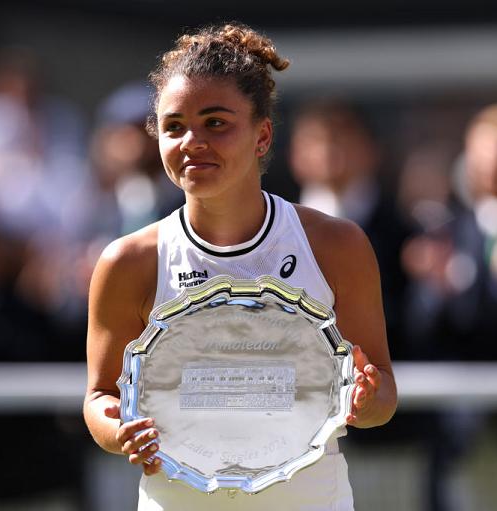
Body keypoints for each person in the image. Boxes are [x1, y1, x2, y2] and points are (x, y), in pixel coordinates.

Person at [83, 22, 397, 511]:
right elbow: (100, 396)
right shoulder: (126, 261)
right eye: (174, 126)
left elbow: (382, 395)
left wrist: (366, 400)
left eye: (216, 122)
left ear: (262, 134)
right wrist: (118, 431)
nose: (192, 141)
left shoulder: (338, 245)